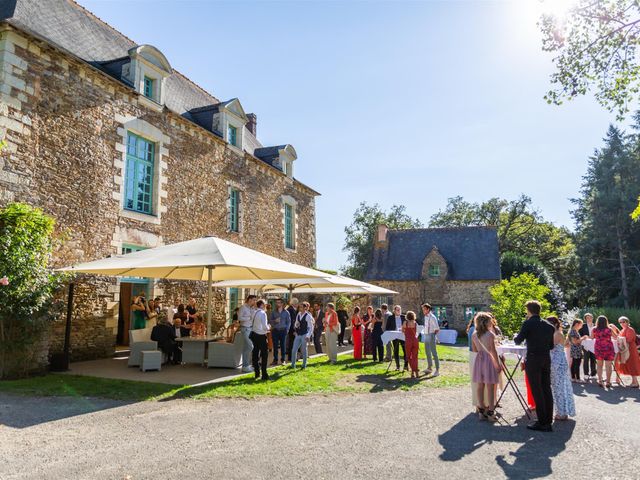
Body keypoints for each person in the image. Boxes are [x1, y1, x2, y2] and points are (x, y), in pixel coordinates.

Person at [514, 300, 555, 432]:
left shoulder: (528, 323)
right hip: (545, 358)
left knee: (536, 389)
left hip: (533, 357)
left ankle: (542, 421)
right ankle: (548, 419)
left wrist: (517, 336)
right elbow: (551, 346)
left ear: (529, 311)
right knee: (546, 388)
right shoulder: (549, 326)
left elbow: (518, 340)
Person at [471, 312, 501, 422]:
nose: (491, 322)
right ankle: (491, 412)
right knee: (490, 386)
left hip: (479, 360)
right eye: (489, 320)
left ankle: (481, 410)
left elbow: (474, 350)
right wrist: (497, 365)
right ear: (485, 322)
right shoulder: (490, 335)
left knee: (480, 385)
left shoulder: (474, 335)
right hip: (489, 360)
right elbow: (493, 351)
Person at [548, 316, 576, 420]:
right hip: (556, 361)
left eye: (549, 323)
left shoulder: (557, 334)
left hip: (558, 362)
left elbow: (550, 346)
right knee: (557, 388)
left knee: (559, 388)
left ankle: (562, 413)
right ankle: (561, 411)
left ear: (555, 324)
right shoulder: (554, 333)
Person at [591, 315, 616, 388]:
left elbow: (592, 337)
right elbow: (615, 337)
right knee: (608, 366)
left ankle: (600, 381)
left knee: (599, 365)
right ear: (606, 321)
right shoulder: (609, 329)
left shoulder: (594, 329)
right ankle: (608, 382)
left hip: (599, 348)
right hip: (608, 348)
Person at [616, 317, 640, 387]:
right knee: (629, 365)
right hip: (625, 349)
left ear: (627, 322)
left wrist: (620, 339)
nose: (622, 323)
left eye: (623, 322)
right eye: (620, 322)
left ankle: (635, 382)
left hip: (631, 349)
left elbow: (628, 340)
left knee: (632, 364)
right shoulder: (623, 330)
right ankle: (634, 382)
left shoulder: (630, 329)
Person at [250, 299, 270, 380]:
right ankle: (264, 374)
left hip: (254, 335)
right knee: (264, 355)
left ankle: (257, 373)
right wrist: (269, 327)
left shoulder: (254, 312)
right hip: (261, 335)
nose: (265, 306)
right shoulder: (263, 313)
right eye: (264, 304)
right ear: (261, 305)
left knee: (255, 354)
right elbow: (265, 327)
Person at [238, 295, 257, 373]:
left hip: (250, 329)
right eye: (254, 300)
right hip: (245, 329)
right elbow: (239, 318)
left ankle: (246, 366)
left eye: (255, 300)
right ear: (249, 300)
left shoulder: (251, 308)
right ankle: (245, 365)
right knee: (250, 346)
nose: (255, 302)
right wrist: (249, 318)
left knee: (247, 347)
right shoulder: (243, 307)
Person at [269, 298, 291, 366]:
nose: (277, 304)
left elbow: (289, 322)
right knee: (275, 346)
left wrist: (287, 330)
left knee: (283, 346)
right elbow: (270, 321)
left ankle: (283, 360)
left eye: (279, 302)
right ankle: (275, 360)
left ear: (282, 304)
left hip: (283, 331)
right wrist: (275, 321)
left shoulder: (286, 312)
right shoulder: (273, 312)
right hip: (275, 330)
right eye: (276, 302)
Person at [291, 302, 313, 369]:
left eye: (301, 307)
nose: (299, 308)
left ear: (305, 308)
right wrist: (295, 328)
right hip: (298, 334)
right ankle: (293, 365)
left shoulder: (308, 316)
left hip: (304, 334)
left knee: (304, 350)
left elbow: (311, 327)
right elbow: (296, 323)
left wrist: (308, 336)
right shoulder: (298, 314)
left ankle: (304, 365)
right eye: (299, 307)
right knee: (294, 350)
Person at [385, 305, 407, 371]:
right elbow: (387, 328)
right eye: (397, 310)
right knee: (396, 351)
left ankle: (406, 366)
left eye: (400, 310)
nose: (399, 311)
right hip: (395, 336)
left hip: (403, 335)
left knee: (405, 351)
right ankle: (398, 366)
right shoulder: (390, 318)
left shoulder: (404, 317)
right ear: (394, 311)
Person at [422, 303, 440, 377]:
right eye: (422, 309)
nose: (423, 311)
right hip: (426, 335)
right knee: (427, 352)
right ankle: (429, 368)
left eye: (424, 309)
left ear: (428, 309)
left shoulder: (433, 317)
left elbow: (437, 329)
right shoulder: (425, 317)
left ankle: (437, 370)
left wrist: (433, 335)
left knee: (434, 353)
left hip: (431, 335)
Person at [579, 313, 597, 380]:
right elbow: (580, 335)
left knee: (593, 359)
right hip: (585, 344)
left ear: (592, 318)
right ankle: (586, 374)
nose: (589, 319)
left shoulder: (596, 325)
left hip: (594, 344)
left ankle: (593, 374)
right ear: (585, 319)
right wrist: (585, 337)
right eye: (587, 318)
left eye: (590, 317)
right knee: (586, 359)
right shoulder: (583, 326)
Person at [403, 311, 420, 378]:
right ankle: (415, 372)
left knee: (408, 356)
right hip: (415, 341)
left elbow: (402, 330)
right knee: (415, 357)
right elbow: (417, 332)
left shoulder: (405, 323)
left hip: (408, 341)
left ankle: (413, 371)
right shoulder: (415, 323)